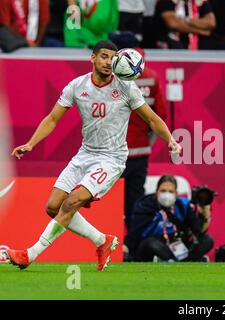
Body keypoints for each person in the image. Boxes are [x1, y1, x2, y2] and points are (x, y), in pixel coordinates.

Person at [4, 41, 181, 271]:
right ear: (93, 58)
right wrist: (30, 143)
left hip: (112, 159)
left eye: (112, 57)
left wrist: (170, 140)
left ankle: (29, 254)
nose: (108, 62)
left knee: (71, 203)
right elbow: (52, 119)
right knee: (52, 206)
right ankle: (102, 241)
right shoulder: (77, 86)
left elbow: (153, 119)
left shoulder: (126, 88)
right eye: (104, 57)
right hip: (85, 154)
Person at [123, 48, 167, 232]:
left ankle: (111, 247)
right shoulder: (151, 77)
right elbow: (160, 114)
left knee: (107, 201)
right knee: (135, 203)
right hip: (140, 152)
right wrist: (148, 141)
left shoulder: (115, 77)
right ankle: (133, 247)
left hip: (114, 152)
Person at [124, 175, 214, 262]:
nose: (167, 194)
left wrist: (205, 213)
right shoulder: (145, 206)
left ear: (176, 194)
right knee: (150, 244)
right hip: (156, 244)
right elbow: (134, 233)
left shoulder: (183, 206)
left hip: (179, 245)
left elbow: (197, 231)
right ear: (156, 192)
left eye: (171, 191)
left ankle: (180, 261)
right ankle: (188, 261)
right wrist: (126, 247)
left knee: (207, 239)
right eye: (163, 191)